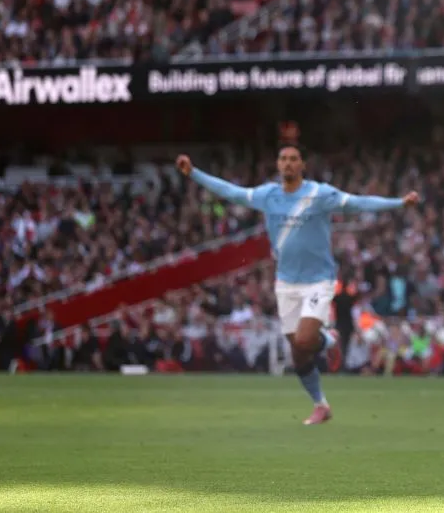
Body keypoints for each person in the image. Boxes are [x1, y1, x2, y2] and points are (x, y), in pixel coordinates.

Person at [176, 146, 419, 425]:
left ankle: (326, 340)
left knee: (305, 340)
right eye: (283, 159)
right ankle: (321, 405)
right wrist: (193, 173)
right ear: (278, 165)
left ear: (302, 165)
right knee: (297, 350)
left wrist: (399, 203)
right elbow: (231, 192)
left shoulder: (319, 195)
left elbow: (358, 202)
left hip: (319, 280)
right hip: (286, 282)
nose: (288, 164)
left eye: (293, 159)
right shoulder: (268, 196)